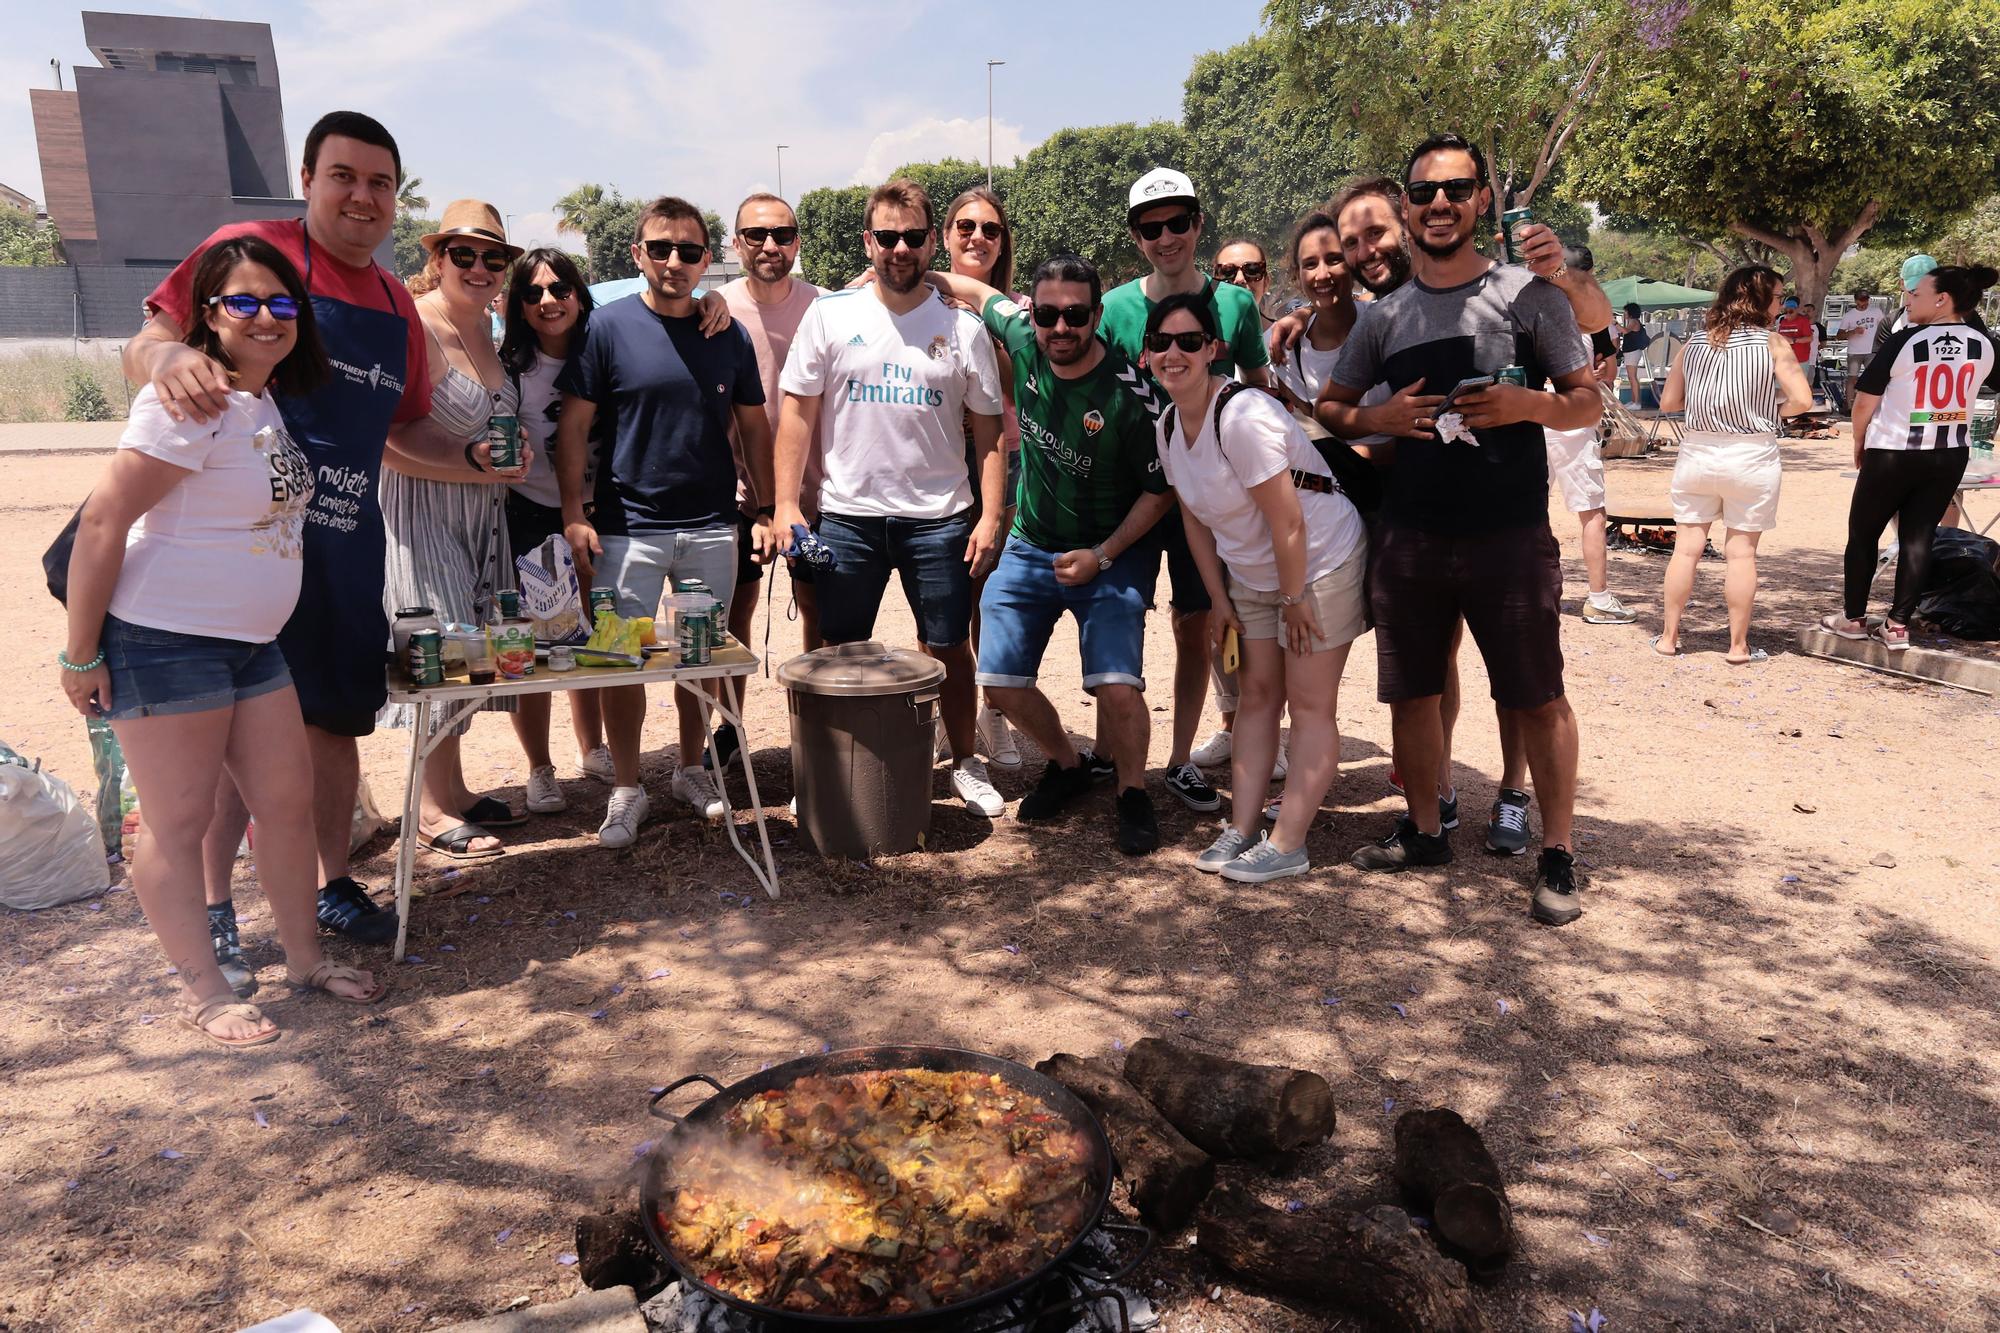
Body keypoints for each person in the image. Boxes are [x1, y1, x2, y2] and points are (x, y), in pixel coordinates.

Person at [128, 111, 481, 953]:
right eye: (344, 176)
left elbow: (405, 430)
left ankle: (332, 885)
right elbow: (148, 336)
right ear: (309, 177)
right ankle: (215, 907)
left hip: (345, 545)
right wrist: (169, 360)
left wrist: (475, 458)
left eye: (380, 183)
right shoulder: (254, 249)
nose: (362, 197)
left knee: (333, 723)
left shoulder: (398, 302)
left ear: (397, 196)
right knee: (226, 735)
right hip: (235, 549)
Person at [61, 235, 385, 1047]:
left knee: (283, 805)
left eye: (282, 303)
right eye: (243, 301)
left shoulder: (259, 400)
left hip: (252, 644)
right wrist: (81, 652)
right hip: (167, 641)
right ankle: (206, 990)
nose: (266, 317)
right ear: (207, 315)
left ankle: (304, 961)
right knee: (178, 821)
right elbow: (104, 521)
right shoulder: (186, 399)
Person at [1285, 172, 1611, 861]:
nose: (1363, 249)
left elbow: (1588, 370)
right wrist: (1378, 417)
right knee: (1419, 687)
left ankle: (1540, 828)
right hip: (1409, 529)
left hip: (1508, 528)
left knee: (1529, 687)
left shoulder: (1523, 289)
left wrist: (1530, 404)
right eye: (1351, 243)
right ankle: (1429, 824)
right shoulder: (1382, 314)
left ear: (1475, 202)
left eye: (1372, 233)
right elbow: (1337, 404)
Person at [770, 178, 1008, 817]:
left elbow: (989, 434)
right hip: (848, 517)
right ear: (868, 241)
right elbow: (796, 415)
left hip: (940, 519)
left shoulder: (962, 329)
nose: (899, 249)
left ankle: (964, 761)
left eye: (912, 237)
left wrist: (989, 515)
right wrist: (787, 506)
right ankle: (826, 770)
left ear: (932, 240)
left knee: (951, 644)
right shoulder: (831, 315)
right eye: (887, 237)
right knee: (837, 650)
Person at [924, 255, 1173, 852]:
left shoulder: (1134, 393)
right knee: (1000, 681)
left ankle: (1132, 792)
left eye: (1076, 315)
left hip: (1113, 552)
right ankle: (1068, 765)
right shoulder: (1023, 340)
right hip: (1031, 543)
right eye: (1049, 314)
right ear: (1032, 313)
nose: (1061, 327)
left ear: (1095, 314)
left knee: (1116, 686)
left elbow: (1161, 490)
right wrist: (889, 276)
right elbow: (976, 291)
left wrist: (1103, 555)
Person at [556, 196, 774, 847]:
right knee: (620, 659)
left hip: (712, 527)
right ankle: (627, 785)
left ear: (708, 259)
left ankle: (688, 768)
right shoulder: (607, 328)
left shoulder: (727, 333)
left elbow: (755, 426)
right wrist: (574, 511)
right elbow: (574, 425)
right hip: (626, 531)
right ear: (638, 255)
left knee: (700, 659)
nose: (674, 261)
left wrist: (763, 507)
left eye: (688, 250)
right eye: (660, 248)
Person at [1149, 294, 1369, 882]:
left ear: (1213, 349)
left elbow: (1288, 520)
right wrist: (1220, 600)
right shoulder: (1168, 425)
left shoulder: (1242, 416)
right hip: (1252, 573)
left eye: (1189, 341)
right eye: (1161, 343)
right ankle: (1242, 826)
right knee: (1256, 698)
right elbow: (1196, 518)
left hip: (1317, 562)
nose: (1175, 354)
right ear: (1145, 356)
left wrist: (1294, 599)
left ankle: (1288, 841)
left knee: (1310, 701)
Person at [1097, 169, 1272, 812]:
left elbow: (1258, 388)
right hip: (1133, 494)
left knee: (1196, 622)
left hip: (1210, 499)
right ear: (1137, 236)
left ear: (1199, 223)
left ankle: (1178, 758)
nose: (1166, 237)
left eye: (1177, 222)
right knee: (1115, 614)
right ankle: (1109, 749)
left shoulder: (1236, 304)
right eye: (1151, 227)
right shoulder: (1113, 309)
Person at [379, 200, 529, 860]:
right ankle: (428, 808)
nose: (479, 267)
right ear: (437, 259)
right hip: (422, 513)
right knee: (437, 650)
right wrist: (469, 463)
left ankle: (456, 790)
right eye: (463, 254)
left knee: (472, 654)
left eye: (492, 256)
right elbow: (383, 437)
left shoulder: (489, 331)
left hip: (483, 517)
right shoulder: (413, 325)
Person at [1822, 265, 1998, 651]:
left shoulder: (1906, 340)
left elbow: (1866, 398)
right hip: (1949, 452)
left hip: (1895, 450)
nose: (1908, 299)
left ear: (1942, 299)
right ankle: (1898, 625)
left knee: (1864, 534)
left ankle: (1853, 617)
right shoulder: (1983, 344)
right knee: (1918, 537)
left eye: (1916, 293)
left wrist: (1859, 442)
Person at [714, 194, 827, 771]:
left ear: (797, 242)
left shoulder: (826, 307)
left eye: (781, 235)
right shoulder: (715, 307)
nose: (769, 247)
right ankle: (729, 728)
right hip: (739, 492)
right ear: (735, 242)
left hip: (817, 492)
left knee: (817, 609)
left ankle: (816, 721)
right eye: (755, 235)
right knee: (737, 612)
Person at [498, 246, 612, 803]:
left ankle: (592, 747)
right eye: (533, 292)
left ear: (579, 295)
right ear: (518, 305)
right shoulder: (509, 370)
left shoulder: (605, 348)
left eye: (560, 289)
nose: (549, 301)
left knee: (588, 630)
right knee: (534, 642)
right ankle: (539, 767)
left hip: (597, 511)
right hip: (529, 512)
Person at [1653, 265, 1814, 663]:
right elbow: (1803, 401)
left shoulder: (1694, 342)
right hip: (1751, 453)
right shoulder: (1773, 343)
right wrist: (1770, 410)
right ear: (1760, 299)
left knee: (1686, 549)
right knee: (1741, 554)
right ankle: (1738, 646)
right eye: (1778, 296)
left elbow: (1669, 403)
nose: (1782, 303)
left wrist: (1709, 404)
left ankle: (1669, 637)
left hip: (1698, 451)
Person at [941, 186, 1028, 773]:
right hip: (941, 465)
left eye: (990, 229)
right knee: (945, 603)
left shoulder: (1019, 307)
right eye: (965, 226)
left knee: (993, 600)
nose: (977, 238)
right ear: (944, 235)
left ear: (1003, 243)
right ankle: (953, 718)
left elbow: (1026, 382)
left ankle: (994, 715)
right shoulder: (908, 293)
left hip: (1007, 460)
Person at [1542, 245, 1638, 628]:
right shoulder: (1591, 318)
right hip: (1571, 414)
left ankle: (1529, 587)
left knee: (1526, 506)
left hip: (1530, 408)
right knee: (1590, 509)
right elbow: (1608, 373)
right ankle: (1598, 598)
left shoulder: (1532, 307)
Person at [1215, 237, 1291, 327]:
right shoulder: (1197, 336)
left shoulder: (1290, 339)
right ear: (1214, 283)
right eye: (1227, 271)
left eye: (1252, 270)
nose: (1239, 279)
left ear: (1266, 283)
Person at [1837, 291, 1884, 394]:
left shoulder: (1876, 312)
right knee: (1852, 378)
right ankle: (1849, 405)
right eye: (1860, 302)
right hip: (1855, 352)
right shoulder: (1849, 315)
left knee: (1873, 377)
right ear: (1856, 301)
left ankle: (1873, 403)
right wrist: (1853, 331)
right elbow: (1839, 335)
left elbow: (1884, 327)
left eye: (1865, 302)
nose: (1863, 305)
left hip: (1872, 350)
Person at [1618, 303, 1653, 408]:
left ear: (1630, 312)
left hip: (1632, 352)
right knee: (1631, 377)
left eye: (1625, 312)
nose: (1624, 314)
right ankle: (1634, 401)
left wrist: (1615, 324)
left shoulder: (1633, 321)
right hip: (1632, 352)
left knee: (1632, 377)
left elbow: (1625, 331)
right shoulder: (1633, 321)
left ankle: (1636, 402)